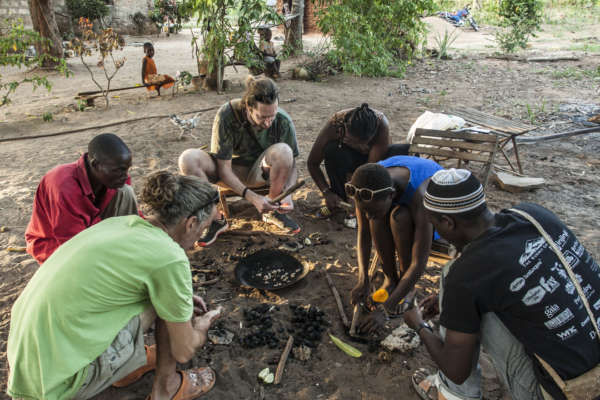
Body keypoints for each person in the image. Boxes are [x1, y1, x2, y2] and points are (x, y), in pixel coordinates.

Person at [7, 171, 223, 400]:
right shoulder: (170, 256)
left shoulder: (122, 224)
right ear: (190, 224)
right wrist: (200, 327)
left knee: (169, 296)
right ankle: (166, 389)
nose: (202, 235)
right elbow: (184, 350)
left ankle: (127, 367)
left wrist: (181, 300)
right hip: (59, 383)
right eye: (205, 227)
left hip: (27, 366)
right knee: (173, 304)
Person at [403, 168, 600, 400]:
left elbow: (456, 370)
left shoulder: (467, 273)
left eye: (434, 223)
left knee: (452, 276)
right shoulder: (532, 214)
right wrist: (452, 302)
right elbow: (517, 272)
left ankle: (452, 395)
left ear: (447, 222)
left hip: (568, 392)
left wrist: (418, 325)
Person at [179, 76, 301, 244]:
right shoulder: (227, 114)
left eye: (271, 116)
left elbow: (292, 165)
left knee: (284, 151)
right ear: (248, 108)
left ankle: (272, 210)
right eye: (262, 117)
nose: (268, 122)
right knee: (188, 159)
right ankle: (215, 218)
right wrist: (253, 198)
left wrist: (289, 193)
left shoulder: (282, 120)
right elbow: (223, 169)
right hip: (228, 172)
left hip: (261, 172)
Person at [347, 156, 444, 333]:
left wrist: (385, 309)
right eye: (364, 211)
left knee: (399, 217)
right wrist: (363, 279)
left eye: (371, 210)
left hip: (433, 213)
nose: (367, 216)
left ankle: (407, 288)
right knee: (376, 219)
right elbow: (364, 234)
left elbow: (419, 262)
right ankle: (391, 279)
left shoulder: (421, 197)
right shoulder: (365, 187)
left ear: (391, 195)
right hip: (394, 202)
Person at [25, 133, 138, 264]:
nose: (125, 176)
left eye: (127, 169)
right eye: (118, 170)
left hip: (92, 229)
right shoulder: (63, 187)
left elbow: (134, 217)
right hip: (56, 244)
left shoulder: (115, 178)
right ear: (95, 164)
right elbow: (73, 244)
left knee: (125, 191)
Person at [307, 104, 410, 228]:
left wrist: (357, 194)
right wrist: (326, 192)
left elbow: (371, 170)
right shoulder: (335, 125)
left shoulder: (381, 126)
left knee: (401, 150)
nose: (360, 147)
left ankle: (369, 205)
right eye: (353, 141)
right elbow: (312, 163)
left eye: (364, 143)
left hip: (372, 165)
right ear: (345, 129)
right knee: (332, 150)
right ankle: (338, 199)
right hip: (347, 158)